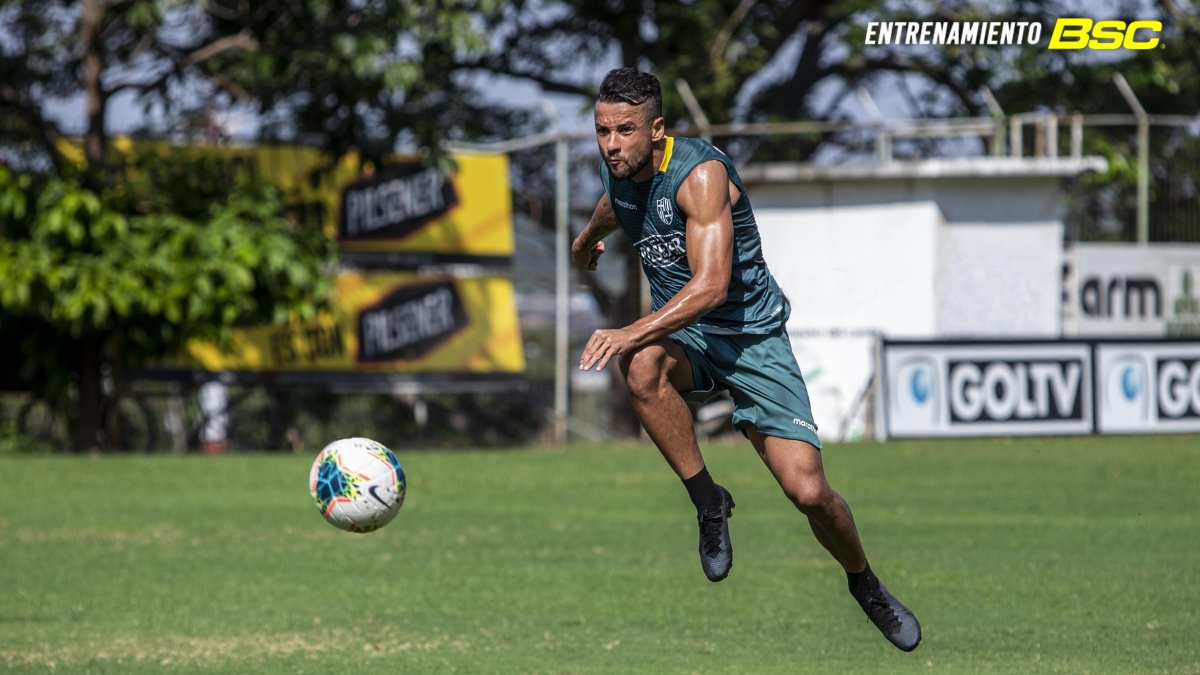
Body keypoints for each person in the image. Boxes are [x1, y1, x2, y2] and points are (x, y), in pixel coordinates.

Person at [571, 67, 922, 652]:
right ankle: (708, 499)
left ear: (656, 129)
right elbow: (615, 206)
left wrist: (632, 328)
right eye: (602, 131)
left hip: (752, 340)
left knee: (809, 494)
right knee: (642, 368)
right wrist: (584, 241)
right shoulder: (625, 173)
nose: (611, 144)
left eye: (625, 131)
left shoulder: (701, 175)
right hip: (691, 339)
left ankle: (864, 583)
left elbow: (710, 287)